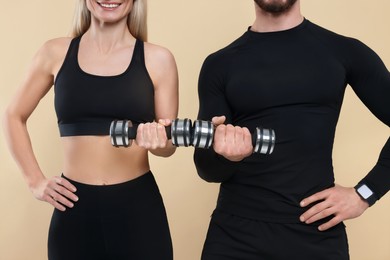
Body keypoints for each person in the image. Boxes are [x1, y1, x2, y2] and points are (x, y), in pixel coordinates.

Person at [194, 0, 390, 259]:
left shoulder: (344, 51)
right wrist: (227, 156)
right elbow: (206, 168)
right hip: (235, 235)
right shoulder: (219, 64)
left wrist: (365, 193)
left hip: (316, 234)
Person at [2, 0, 178, 259]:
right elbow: (12, 115)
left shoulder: (159, 59)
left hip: (138, 210)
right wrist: (35, 181)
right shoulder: (54, 52)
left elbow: (169, 147)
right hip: (73, 208)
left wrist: (160, 142)